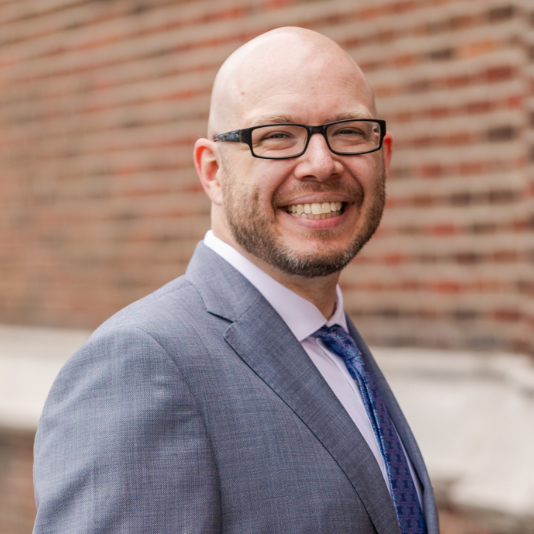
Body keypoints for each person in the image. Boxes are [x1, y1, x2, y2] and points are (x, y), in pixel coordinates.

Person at [33, 27, 439, 534]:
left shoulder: (338, 346)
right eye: (276, 136)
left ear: (385, 157)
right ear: (212, 172)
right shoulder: (142, 365)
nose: (321, 164)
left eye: (350, 132)